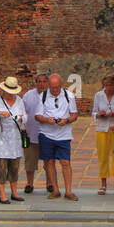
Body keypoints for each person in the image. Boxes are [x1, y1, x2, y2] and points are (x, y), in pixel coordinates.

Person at [34, 72, 80, 201]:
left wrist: (67, 120)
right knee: (49, 161)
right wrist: (46, 119)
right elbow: (37, 116)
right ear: (49, 85)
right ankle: (55, 189)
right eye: (53, 87)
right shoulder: (42, 96)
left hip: (63, 134)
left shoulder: (68, 95)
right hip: (46, 134)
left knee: (65, 162)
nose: (55, 90)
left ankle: (69, 191)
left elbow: (74, 114)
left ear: (61, 85)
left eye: (57, 87)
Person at [0, 76, 28, 204]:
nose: (10, 95)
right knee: (1, 166)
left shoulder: (19, 101)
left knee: (14, 166)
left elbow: (26, 117)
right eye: (9, 93)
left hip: (15, 136)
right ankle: (2, 194)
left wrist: (21, 118)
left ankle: (14, 192)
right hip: (1, 137)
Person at [91, 74, 114, 195]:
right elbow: (93, 112)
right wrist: (99, 114)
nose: (108, 88)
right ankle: (103, 184)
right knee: (103, 156)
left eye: (110, 85)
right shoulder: (98, 95)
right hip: (102, 128)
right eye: (106, 85)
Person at [20, 72, 50, 193]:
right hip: (29, 133)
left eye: (44, 81)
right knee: (29, 160)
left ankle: (50, 183)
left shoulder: (51, 95)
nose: (41, 84)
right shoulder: (28, 95)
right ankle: (29, 183)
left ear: (47, 83)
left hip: (47, 134)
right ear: (36, 83)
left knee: (49, 161)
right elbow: (22, 111)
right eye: (39, 81)